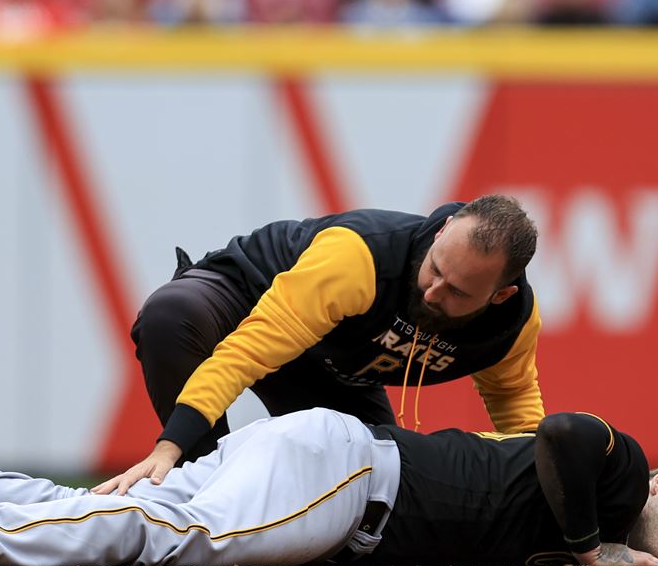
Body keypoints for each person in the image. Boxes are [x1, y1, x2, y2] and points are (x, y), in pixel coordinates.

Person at [0, 409, 658, 566]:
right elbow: (558, 429)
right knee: (181, 534)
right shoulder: (622, 468)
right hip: (352, 481)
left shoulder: (607, 519)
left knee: (98, 498)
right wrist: (598, 540)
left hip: (326, 465)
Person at [96, 195, 543, 496]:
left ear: (500, 295)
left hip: (332, 363)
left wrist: (547, 490)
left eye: (458, 292)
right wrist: (171, 446)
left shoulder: (512, 324)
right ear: (442, 231)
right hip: (250, 300)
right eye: (435, 269)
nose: (433, 292)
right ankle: (200, 492)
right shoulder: (360, 257)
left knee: (377, 490)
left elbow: (514, 403)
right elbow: (249, 351)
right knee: (171, 316)